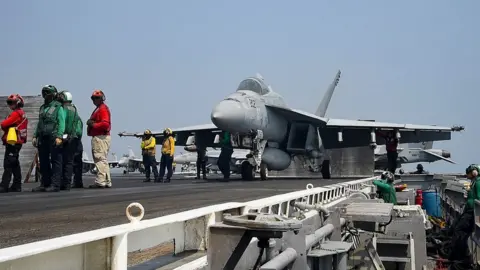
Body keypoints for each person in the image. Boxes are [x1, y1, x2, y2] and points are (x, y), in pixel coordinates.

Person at [32, 85, 65, 192]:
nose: (45, 95)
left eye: (47, 92)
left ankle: (55, 184)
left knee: (56, 161)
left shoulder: (58, 107)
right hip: (43, 137)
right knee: (44, 160)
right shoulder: (42, 108)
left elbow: (61, 122)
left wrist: (59, 136)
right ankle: (45, 183)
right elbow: (39, 123)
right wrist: (35, 135)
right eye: (44, 92)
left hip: (54, 137)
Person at [447, 164, 480, 263]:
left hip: (472, 212)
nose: (467, 175)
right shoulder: (474, 182)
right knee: (456, 228)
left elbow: (478, 198)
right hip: (468, 211)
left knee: (460, 231)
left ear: (474, 172)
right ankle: (458, 254)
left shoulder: (478, 183)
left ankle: (462, 256)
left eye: (469, 173)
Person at [0, 94, 28, 193]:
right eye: (9, 103)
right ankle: (17, 185)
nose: (10, 105)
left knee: (8, 163)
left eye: (11, 102)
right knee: (15, 163)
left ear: (18, 103)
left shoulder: (16, 113)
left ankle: (4, 185)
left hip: (13, 141)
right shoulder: (22, 113)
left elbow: (4, 124)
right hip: (18, 141)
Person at [57, 91, 83, 190]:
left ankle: (64, 182)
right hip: (76, 139)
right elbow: (79, 129)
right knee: (73, 162)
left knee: (65, 161)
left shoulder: (63, 109)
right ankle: (73, 182)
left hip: (66, 138)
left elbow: (61, 123)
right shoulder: (74, 110)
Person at [87, 89, 112, 188]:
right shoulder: (100, 108)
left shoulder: (102, 109)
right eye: (93, 98)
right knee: (103, 160)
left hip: (100, 137)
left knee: (99, 159)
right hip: (101, 137)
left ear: (101, 99)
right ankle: (106, 181)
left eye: (97, 98)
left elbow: (105, 124)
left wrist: (93, 124)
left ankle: (100, 181)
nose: (94, 100)